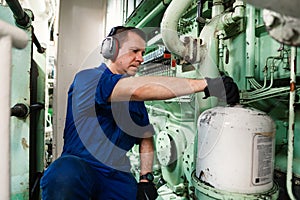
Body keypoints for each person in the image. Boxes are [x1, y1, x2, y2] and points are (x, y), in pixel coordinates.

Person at [40, 26, 239, 200]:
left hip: (117, 175)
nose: (141, 59)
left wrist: (145, 178)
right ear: (112, 50)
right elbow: (135, 89)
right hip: (82, 168)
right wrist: (207, 84)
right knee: (64, 174)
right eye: (134, 51)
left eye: (143, 52)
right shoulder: (88, 79)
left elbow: (145, 137)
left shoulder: (136, 102)